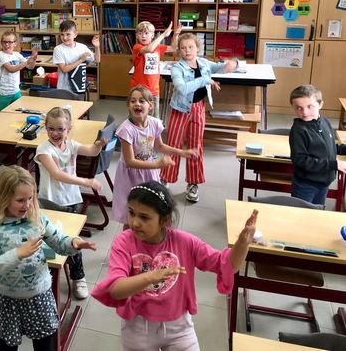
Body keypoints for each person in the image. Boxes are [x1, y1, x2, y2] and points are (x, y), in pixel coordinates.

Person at [91, 182, 258, 351]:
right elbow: (116, 289)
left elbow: (226, 263)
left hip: (179, 327)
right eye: (131, 213)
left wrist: (242, 244)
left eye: (144, 217)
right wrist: (150, 277)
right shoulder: (124, 242)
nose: (134, 223)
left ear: (165, 220)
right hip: (138, 326)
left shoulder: (185, 241)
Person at [0, 166, 96, 351]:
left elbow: (58, 241)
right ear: (3, 198)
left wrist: (73, 242)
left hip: (39, 297)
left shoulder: (37, 218)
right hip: (8, 301)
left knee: (44, 347)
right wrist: (17, 253)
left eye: (31, 198)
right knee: (6, 348)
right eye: (20, 200)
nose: (27, 205)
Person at [34, 106, 107, 299]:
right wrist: (87, 182)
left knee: (72, 241)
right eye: (51, 128)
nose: (55, 133)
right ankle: (45, 275)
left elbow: (91, 151)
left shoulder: (72, 144)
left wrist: (99, 145)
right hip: (50, 202)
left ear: (69, 129)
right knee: (48, 240)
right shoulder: (43, 149)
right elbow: (56, 174)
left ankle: (78, 277)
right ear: (45, 128)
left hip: (71, 201)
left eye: (60, 129)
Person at [161, 33, 237, 203]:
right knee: (174, 145)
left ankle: (193, 183)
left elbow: (220, 67)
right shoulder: (177, 68)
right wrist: (205, 80)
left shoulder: (203, 63)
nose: (187, 50)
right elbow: (182, 89)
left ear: (197, 48)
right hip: (180, 110)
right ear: (179, 50)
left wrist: (232, 64)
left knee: (196, 146)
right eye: (183, 48)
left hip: (198, 109)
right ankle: (165, 179)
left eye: (191, 47)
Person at [112, 86, 198, 225]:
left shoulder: (154, 123)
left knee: (149, 207)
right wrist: (157, 164)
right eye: (133, 101)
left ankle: (145, 237)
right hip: (130, 176)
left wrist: (182, 152)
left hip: (149, 173)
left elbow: (159, 146)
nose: (137, 104)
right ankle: (127, 242)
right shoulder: (126, 130)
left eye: (142, 101)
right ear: (128, 106)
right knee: (132, 215)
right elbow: (130, 161)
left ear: (150, 105)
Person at [289, 84, 346, 205]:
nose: (304, 112)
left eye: (310, 106)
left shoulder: (325, 122)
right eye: (299, 108)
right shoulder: (298, 130)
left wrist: (343, 149)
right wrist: (334, 164)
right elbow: (301, 160)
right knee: (301, 216)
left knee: (317, 212)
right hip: (306, 185)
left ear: (320, 104)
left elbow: (329, 148)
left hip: (324, 182)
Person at [130, 21, 180, 117]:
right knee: (138, 117)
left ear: (152, 35)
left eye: (146, 33)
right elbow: (149, 49)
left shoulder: (158, 47)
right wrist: (163, 35)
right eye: (140, 34)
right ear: (136, 36)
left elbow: (173, 48)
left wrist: (176, 35)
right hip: (139, 90)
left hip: (153, 89)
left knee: (154, 118)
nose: (143, 36)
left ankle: (154, 132)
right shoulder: (137, 47)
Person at [52, 19, 100, 97]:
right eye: (62, 34)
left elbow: (97, 60)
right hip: (64, 89)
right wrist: (81, 60)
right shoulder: (58, 49)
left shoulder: (82, 47)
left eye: (68, 34)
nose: (64, 37)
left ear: (75, 34)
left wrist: (97, 47)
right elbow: (64, 69)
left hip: (79, 87)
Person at [0, 30, 38, 111]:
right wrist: (27, 61)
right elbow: (11, 69)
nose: (7, 44)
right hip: (3, 94)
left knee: (16, 115)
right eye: (4, 42)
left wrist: (33, 59)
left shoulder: (17, 55)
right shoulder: (1, 55)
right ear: (1, 43)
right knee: (1, 117)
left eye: (10, 42)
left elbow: (30, 67)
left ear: (15, 43)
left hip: (16, 92)